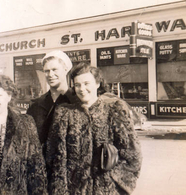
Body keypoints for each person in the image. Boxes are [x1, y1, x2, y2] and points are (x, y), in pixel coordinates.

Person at [46, 62, 142, 195]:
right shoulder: (64, 113)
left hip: (106, 190)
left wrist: (115, 185)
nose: (82, 88)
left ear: (97, 84)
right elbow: (54, 155)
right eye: (77, 85)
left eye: (86, 83)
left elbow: (132, 155)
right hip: (73, 190)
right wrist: (60, 189)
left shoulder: (114, 111)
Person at [27, 50, 80, 150]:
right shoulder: (36, 105)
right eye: (47, 71)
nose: (50, 74)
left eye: (55, 69)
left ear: (65, 69)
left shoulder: (76, 101)